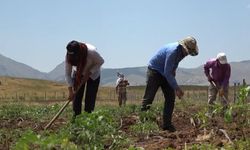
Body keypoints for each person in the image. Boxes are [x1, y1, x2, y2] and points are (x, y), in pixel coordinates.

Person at [141, 36, 199, 132]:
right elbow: (167, 72)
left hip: (165, 72)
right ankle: (143, 122)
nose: (187, 54)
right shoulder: (173, 51)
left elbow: (174, 64)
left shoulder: (182, 53)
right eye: (188, 51)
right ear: (183, 46)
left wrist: (174, 70)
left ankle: (167, 125)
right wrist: (176, 88)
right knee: (149, 97)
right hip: (155, 71)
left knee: (170, 98)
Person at [65, 40, 104, 117]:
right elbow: (67, 74)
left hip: (93, 74)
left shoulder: (91, 52)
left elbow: (101, 61)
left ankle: (88, 118)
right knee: (76, 97)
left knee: (90, 97)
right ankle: (76, 117)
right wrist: (70, 91)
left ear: (79, 53)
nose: (73, 58)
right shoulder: (69, 56)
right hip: (78, 74)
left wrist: (89, 73)